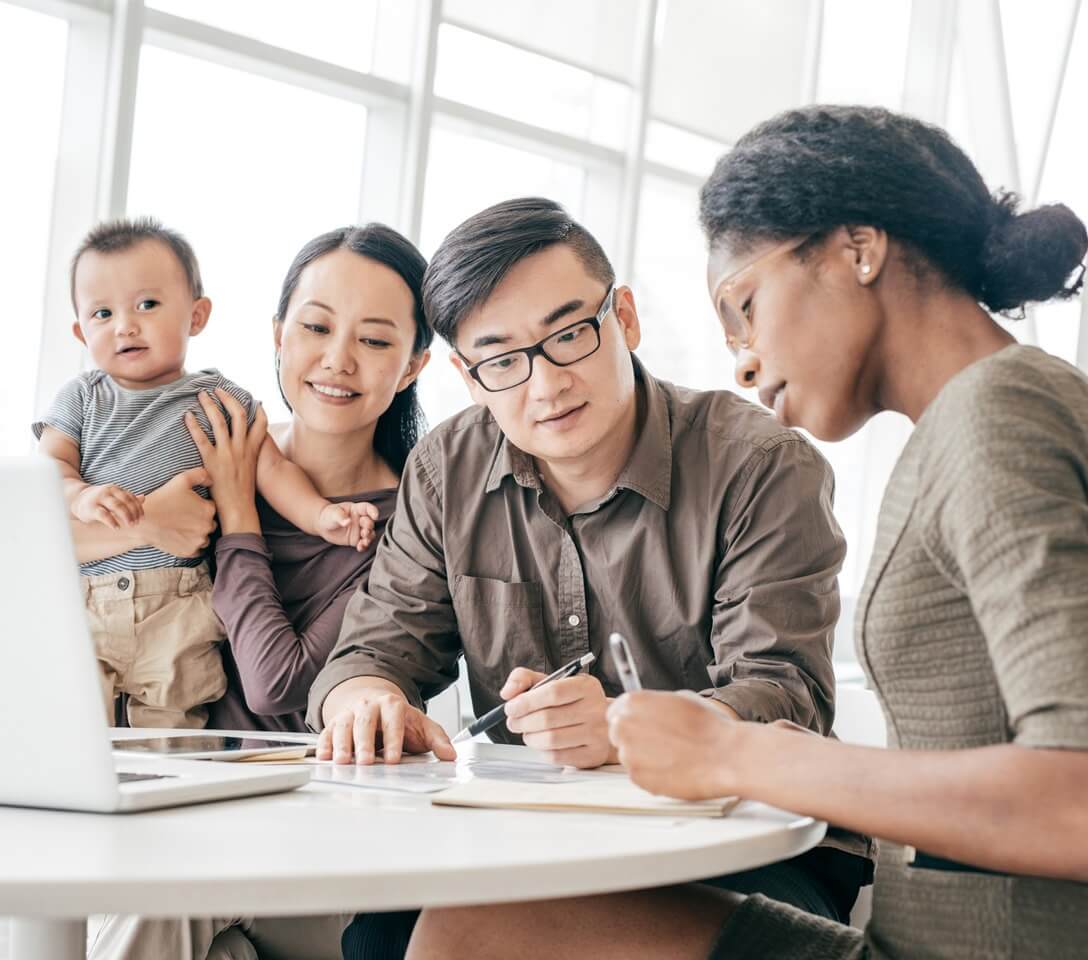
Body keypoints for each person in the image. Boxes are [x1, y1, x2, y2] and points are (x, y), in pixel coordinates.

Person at [472, 104, 1088, 960]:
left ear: (857, 248)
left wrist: (738, 754)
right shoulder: (971, 422)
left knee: (483, 926)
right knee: (480, 919)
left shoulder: (996, 415)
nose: (743, 359)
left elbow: (1076, 799)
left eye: (746, 305)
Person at [307, 198, 872, 957]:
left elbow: (787, 694)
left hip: (748, 842)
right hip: (535, 838)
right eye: (503, 360)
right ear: (468, 377)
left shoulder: (759, 465)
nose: (544, 385)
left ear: (625, 319)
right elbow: (374, 651)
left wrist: (617, 729)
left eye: (570, 334)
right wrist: (365, 698)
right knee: (379, 939)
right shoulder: (447, 468)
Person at [87, 223, 432, 959]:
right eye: (315, 327)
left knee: (160, 901)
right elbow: (71, 551)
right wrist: (146, 519)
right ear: (278, 335)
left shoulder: (406, 525)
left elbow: (280, 684)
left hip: (315, 835)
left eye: (374, 341)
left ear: (413, 365)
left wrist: (240, 514)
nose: (337, 359)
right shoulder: (216, 442)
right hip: (176, 803)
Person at [35, 217, 378, 729]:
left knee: (170, 736)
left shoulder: (219, 401)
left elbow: (272, 469)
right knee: (70, 730)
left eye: (147, 305)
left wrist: (322, 515)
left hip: (181, 606)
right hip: (89, 604)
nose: (125, 325)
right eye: (102, 314)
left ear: (196, 316)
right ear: (82, 332)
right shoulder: (81, 399)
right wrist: (80, 497)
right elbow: (47, 473)